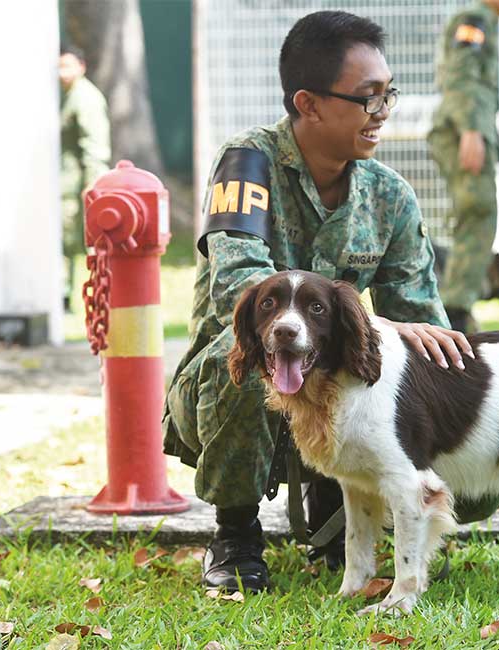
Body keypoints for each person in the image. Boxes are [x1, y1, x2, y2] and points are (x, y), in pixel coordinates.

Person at [162, 10, 472, 594]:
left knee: (462, 447)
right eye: (368, 98)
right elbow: (238, 286)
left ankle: (339, 510)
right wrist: (363, 322)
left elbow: (421, 324)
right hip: (233, 387)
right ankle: (235, 534)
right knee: (255, 356)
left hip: (334, 391)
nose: (382, 112)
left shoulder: (389, 196)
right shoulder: (248, 163)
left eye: (388, 96)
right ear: (309, 104)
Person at [428, 0, 499, 333]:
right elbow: (462, 75)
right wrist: (470, 129)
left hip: (468, 128)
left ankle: (457, 305)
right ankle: (455, 310)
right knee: (478, 213)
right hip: (463, 129)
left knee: (475, 215)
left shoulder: (485, 21)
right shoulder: (475, 19)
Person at [59, 45, 111, 310]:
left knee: (78, 243)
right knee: (65, 243)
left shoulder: (85, 98)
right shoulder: (67, 96)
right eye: (59, 66)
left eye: (67, 66)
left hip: (79, 185)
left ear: (81, 66)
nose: (62, 72)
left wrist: (94, 185)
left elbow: (95, 147)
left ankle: (80, 298)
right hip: (66, 184)